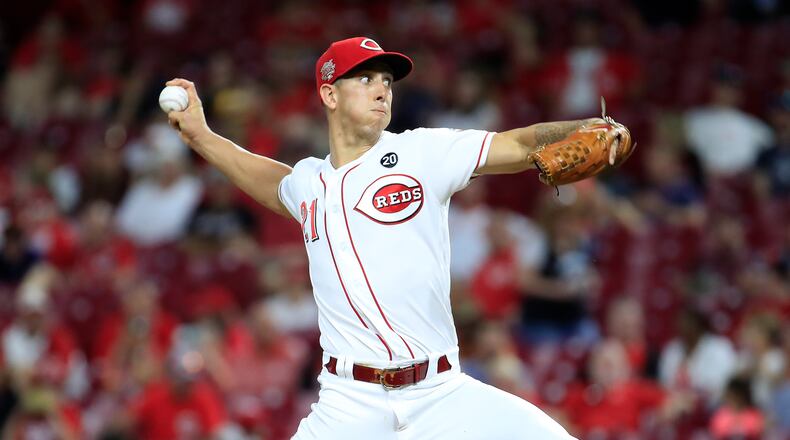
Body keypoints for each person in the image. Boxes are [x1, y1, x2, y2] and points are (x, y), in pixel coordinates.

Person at [164, 36, 627, 439]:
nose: (382, 89)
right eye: (365, 79)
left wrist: (584, 130)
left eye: (386, 80)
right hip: (349, 404)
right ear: (329, 93)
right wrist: (202, 137)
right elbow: (271, 183)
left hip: (440, 393)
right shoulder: (309, 183)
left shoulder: (422, 152)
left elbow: (521, 144)